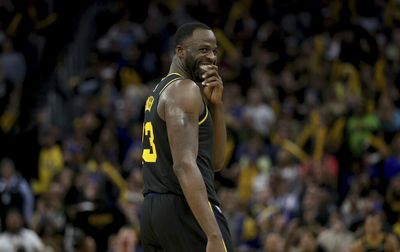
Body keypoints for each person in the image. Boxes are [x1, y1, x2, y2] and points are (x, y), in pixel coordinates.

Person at [140, 22, 233, 252]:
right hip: (184, 208)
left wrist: (216, 107)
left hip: (154, 212)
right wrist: (213, 234)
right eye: (203, 49)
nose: (211, 57)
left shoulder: (161, 89)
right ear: (180, 51)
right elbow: (183, 165)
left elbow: (216, 163)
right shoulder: (185, 89)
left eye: (214, 50)